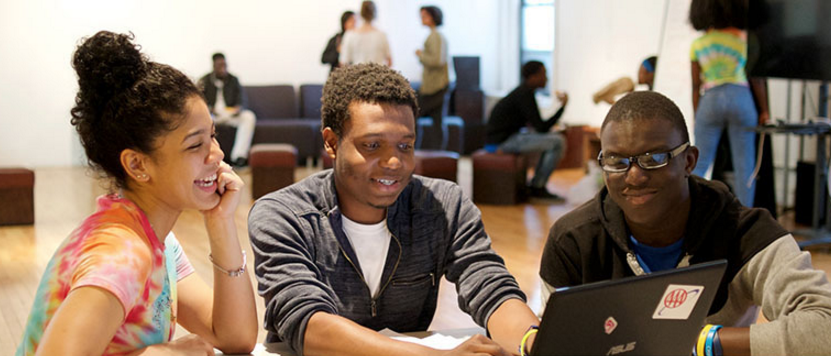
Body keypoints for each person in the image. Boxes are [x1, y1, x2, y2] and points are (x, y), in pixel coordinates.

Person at [249, 63, 540, 356]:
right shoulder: (282, 215)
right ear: (332, 143)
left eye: (405, 146)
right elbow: (306, 323)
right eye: (373, 145)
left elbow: (489, 284)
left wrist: (532, 340)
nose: (394, 162)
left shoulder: (442, 205)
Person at [15, 31, 257, 355]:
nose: (217, 155)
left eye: (213, 136)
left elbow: (233, 336)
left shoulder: (157, 240)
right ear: (137, 164)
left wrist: (220, 221)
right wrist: (165, 353)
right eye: (195, 144)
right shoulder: (121, 251)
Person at [539, 91, 831, 356]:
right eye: (617, 162)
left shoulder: (747, 234)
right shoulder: (573, 241)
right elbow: (554, 344)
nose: (634, 177)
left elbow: (825, 326)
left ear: (689, 161)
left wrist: (699, 342)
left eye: (654, 158)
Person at [689, 0, 769, 207]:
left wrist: (697, 113)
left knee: (700, 162)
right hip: (741, 97)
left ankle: (692, 211)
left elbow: (696, 84)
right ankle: (747, 217)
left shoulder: (699, 44)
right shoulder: (744, 40)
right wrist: (765, 110)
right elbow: (756, 79)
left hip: (711, 98)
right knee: (745, 164)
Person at [485, 61, 568, 199]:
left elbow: (538, 126)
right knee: (558, 142)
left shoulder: (524, 92)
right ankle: (538, 187)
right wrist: (562, 107)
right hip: (500, 143)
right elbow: (541, 127)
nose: (546, 78)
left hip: (506, 138)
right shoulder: (524, 94)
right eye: (543, 74)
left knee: (553, 139)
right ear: (533, 77)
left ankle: (537, 185)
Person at [198, 52, 257, 167]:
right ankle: (206, 156)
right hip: (213, 115)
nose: (223, 69)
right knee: (200, 120)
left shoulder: (233, 80)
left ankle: (239, 157)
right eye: (220, 66)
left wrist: (238, 108)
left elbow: (242, 99)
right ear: (214, 66)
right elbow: (198, 100)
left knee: (249, 117)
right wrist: (209, 109)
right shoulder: (204, 80)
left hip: (231, 114)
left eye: (225, 65)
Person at [415, 5, 449, 150]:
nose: (422, 19)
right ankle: (437, 153)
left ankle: (414, 150)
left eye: (425, 16)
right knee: (438, 122)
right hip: (437, 85)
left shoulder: (435, 36)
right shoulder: (435, 36)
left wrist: (420, 55)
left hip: (435, 86)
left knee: (415, 116)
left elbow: (437, 61)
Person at [340, 1, 392, 66]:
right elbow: (389, 61)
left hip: (357, 75)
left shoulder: (350, 35)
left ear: (361, 14)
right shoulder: (382, 35)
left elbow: (343, 63)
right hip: (378, 75)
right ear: (375, 14)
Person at [592, 56, 657, 105]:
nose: (638, 75)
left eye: (641, 73)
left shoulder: (656, 92)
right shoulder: (650, 92)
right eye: (638, 71)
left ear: (651, 73)